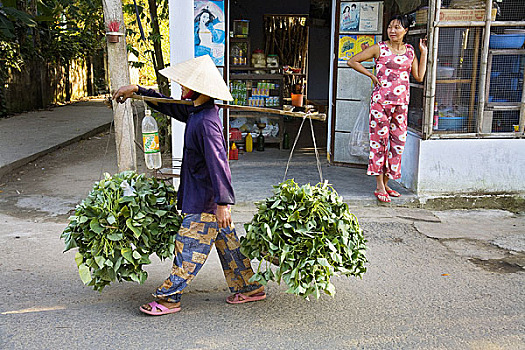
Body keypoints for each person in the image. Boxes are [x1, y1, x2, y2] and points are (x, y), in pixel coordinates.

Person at [112, 55, 265, 316]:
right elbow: (169, 106)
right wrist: (138, 90)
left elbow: (219, 163)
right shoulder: (196, 110)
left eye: (185, 84)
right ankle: (248, 286)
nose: (180, 87)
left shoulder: (206, 123)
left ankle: (170, 298)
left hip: (205, 200)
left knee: (189, 248)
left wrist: (223, 203)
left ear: (200, 88)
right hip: (205, 195)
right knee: (227, 242)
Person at [347, 15, 427, 203]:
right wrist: (371, 76)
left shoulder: (409, 51)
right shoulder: (379, 48)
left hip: (401, 104)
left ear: (405, 31)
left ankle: (387, 182)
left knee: (398, 144)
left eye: (397, 27)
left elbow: (419, 76)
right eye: (390, 27)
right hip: (380, 103)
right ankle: (379, 186)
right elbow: (353, 61)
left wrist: (423, 53)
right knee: (379, 143)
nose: (392, 30)